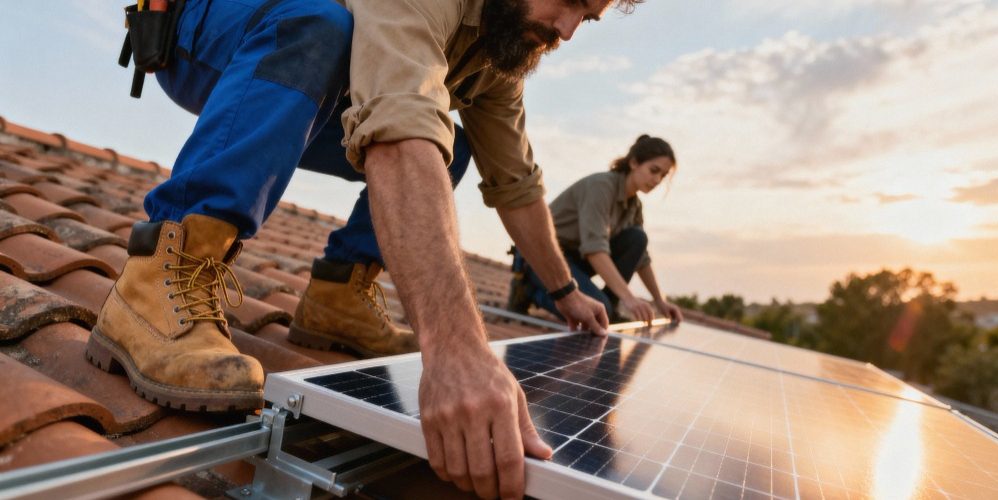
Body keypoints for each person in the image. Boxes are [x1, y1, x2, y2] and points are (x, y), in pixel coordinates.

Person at [87, 0, 643, 497]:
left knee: (453, 139)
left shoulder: (498, 53)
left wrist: (565, 290)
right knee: (320, 23)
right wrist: (455, 351)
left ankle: (338, 297)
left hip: (307, 63)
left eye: (587, 17)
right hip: (210, 29)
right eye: (569, 2)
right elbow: (400, 132)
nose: (568, 31)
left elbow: (516, 183)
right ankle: (159, 276)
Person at [509, 134, 685, 325]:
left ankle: (611, 305)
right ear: (634, 163)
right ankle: (528, 290)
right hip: (542, 258)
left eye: (663, 175)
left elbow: (641, 259)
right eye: (654, 170)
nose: (658, 179)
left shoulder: (634, 206)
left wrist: (660, 301)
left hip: (575, 260)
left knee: (637, 238)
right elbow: (594, 250)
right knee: (597, 314)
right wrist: (630, 299)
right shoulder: (600, 187)